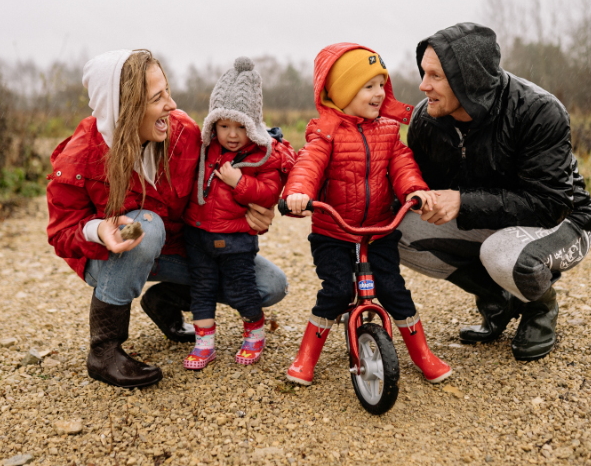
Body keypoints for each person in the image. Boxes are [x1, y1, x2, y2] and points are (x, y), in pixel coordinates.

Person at [46, 50, 290, 388]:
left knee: (270, 286)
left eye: (168, 92)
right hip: (110, 256)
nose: (172, 105)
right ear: (125, 107)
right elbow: (60, 233)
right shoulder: (79, 157)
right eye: (157, 97)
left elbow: (255, 151)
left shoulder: (185, 134)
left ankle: (165, 301)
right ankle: (104, 350)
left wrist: (261, 203)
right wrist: (98, 229)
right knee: (146, 224)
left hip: (174, 248)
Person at [397, 23, 591, 361]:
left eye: (435, 76)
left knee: (502, 253)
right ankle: (498, 300)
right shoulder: (426, 119)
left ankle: (539, 309)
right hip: (491, 218)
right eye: (423, 73)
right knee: (393, 228)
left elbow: (550, 204)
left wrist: (462, 201)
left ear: (468, 80)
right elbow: (414, 185)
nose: (423, 85)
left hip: (565, 221)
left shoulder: (539, 111)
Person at [282, 43, 451, 386]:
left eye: (381, 85)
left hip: (378, 231)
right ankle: (305, 358)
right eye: (368, 86)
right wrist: (298, 193)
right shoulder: (325, 132)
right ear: (343, 92)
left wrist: (413, 189)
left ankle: (423, 354)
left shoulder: (388, 131)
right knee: (337, 290)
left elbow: (401, 163)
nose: (379, 94)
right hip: (334, 232)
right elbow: (308, 165)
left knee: (393, 290)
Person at [182, 57, 293, 370]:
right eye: (223, 126)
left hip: (236, 238)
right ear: (212, 125)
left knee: (240, 288)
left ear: (253, 125)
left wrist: (239, 182)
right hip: (198, 234)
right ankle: (204, 343)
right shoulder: (206, 149)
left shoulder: (262, 156)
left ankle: (254, 331)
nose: (231, 134)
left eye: (240, 126)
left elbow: (269, 192)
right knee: (201, 289)